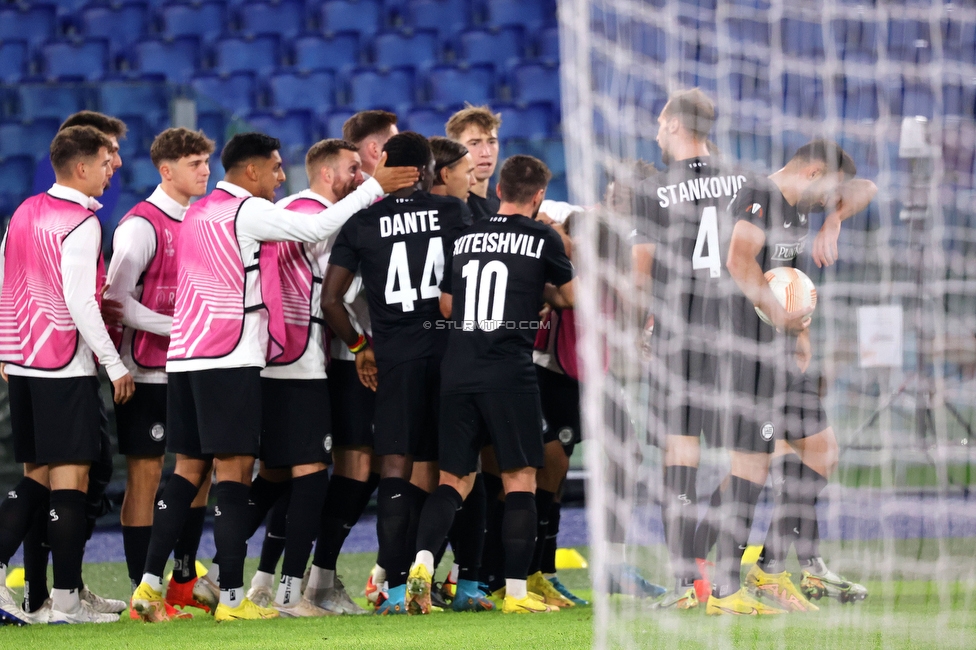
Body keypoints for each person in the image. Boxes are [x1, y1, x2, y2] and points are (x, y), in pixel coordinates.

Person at [129, 132, 418, 623]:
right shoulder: (245, 211)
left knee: (186, 473)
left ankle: (148, 590)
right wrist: (377, 187)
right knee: (236, 476)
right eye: (276, 168)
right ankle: (235, 601)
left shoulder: (197, 211)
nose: (283, 177)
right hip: (230, 357)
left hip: (183, 357)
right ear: (252, 171)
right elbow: (318, 227)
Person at [708, 140, 876, 615]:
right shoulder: (757, 195)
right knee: (752, 468)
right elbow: (739, 261)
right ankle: (722, 590)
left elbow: (867, 187)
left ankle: (769, 568)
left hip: (782, 353)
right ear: (812, 171)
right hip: (748, 352)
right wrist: (780, 317)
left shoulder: (803, 207)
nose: (831, 197)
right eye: (828, 191)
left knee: (822, 454)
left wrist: (834, 220)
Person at [404, 154, 575, 615]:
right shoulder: (541, 236)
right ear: (538, 197)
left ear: (499, 190)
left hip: (458, 370)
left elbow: (445, 307)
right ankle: (517, 594)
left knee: (453, 480)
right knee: (520, 479)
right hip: (509, 372)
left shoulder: (464, 236)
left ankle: (420, 567)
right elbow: (571, 297)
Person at [322, 132, 468, 615]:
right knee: (447, 470)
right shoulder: (453, 213)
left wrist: (361, 347)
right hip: (450, 356)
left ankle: (397, 586)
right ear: (428, 171)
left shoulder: (362, 222)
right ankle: (458, 577)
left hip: (395, 358)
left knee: (394, 468)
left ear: (385, 164)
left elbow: (331, 301)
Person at [244, 138, 385, 617]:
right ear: (328, 174)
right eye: (353, 168)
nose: (361, 177)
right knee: (308, 475)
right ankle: (293, 593)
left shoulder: (288, 211)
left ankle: (252, 584)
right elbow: (336, 292)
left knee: (281, 474)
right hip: (298, 364)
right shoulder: (313, 218)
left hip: (285, 361)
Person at [0, 126, 135, 624]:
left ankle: (64, 599)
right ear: (81, 168)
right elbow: (81, 302)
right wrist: (115, 364)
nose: (112, 169)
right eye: (105, 161)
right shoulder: (80, 224)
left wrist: (5, 348)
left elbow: (4, 280)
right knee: (71, 479)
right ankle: (66, 603)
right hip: (62, 364)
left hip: (25, 365)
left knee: (38, 475)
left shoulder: (24, 212)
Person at [630, 88, 753, 610]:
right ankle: (727, 576)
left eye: (661, 122)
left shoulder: (653, 190)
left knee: (680, 454)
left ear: (677, 125)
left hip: (679, 335)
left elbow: (640, 275)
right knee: (750, 457)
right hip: (739, 335)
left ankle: (685, 582)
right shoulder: (747, 181)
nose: (657, 131)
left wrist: (638, 330)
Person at [104, 127, 220, 619]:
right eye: (195, 163)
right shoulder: (140, 226)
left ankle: (183, 579)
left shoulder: (202, 218)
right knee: (146, 478)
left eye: (206, 162)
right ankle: (139, 588)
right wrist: (180, 326)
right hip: (146, 372)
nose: (205, 171)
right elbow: (114, 300)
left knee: (200, 474)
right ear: (166, 170)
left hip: (191, 370)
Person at [446, 105, 501, 223]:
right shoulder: (452, 207)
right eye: (475, 143)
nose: (486, 152)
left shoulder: (501, 201)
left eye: (491, 142)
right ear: (456, 149)